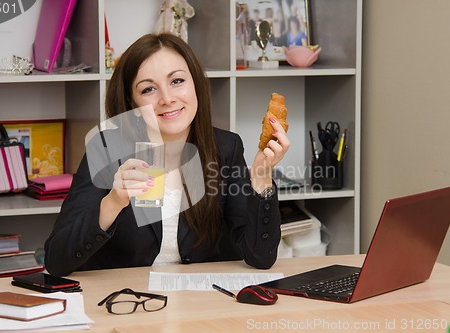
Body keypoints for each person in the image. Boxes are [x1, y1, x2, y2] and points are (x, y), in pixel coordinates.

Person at [43, 33, 290, 276]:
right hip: (126, 303)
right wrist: (113, 202)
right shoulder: (107, 148)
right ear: (132, 101)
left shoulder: (225, 147)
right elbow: (56, 260)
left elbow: (260, 256)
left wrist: (261, 178)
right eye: (149, 89)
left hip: (198, 303)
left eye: (177, 81)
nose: (168, 99)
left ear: (195, 84)